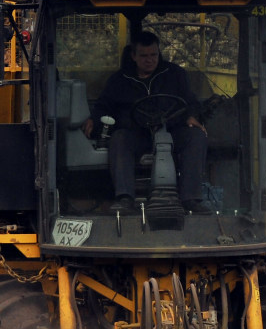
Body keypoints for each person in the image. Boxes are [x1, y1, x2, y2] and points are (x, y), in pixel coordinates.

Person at [81, 31, 210, 213]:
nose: (149, 60)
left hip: (172, 131)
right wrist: (94, 119)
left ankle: (191, 199)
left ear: (159, 54)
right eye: (144, 56)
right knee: (119, 139)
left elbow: (191, 102)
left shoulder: (175, 74)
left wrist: (192, 116)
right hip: (137, 134)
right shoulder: (120, 80)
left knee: (196, 136)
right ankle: (125, 198)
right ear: (133, 56)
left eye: (153, 55)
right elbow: (104, 105)